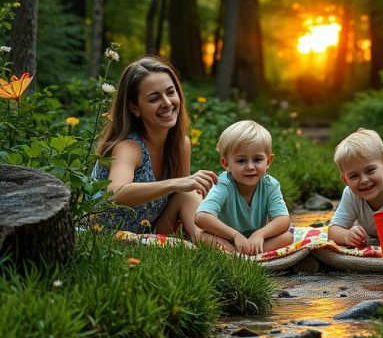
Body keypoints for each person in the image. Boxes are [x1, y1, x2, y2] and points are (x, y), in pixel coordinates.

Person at [91, 56, 217, 239]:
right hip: (109, 235)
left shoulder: (181, 144)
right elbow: (114, 192)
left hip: (152, 232)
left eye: (170, 92)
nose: (166, 102)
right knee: (187, 191)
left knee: (188, 196)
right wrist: (177, 183)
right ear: (135, 107)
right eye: (154, 98)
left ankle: (231, 250)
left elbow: (179, 199)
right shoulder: (129, 147)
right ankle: (234, 253)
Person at [194, 120, 293, 255]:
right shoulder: (223, 184)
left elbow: (283, 220)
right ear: (226, 164)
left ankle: (238, 255)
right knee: (200, 236)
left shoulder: (270, 185)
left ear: (268, 161)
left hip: (256, 240)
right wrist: (234, 235)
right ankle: (239, 254)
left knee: (287, 237)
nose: (250, 167)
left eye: (257, 160)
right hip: (226, 238)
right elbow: (201, 217)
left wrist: (260, 234)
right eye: (241, 161)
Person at [328, 128, 383, 248]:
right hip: (373, 241)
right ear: (346, 180)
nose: (364, 180)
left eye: (370, 170)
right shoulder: (351, 194)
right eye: (354, 176)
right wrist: (347, 235)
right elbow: (332, 231)